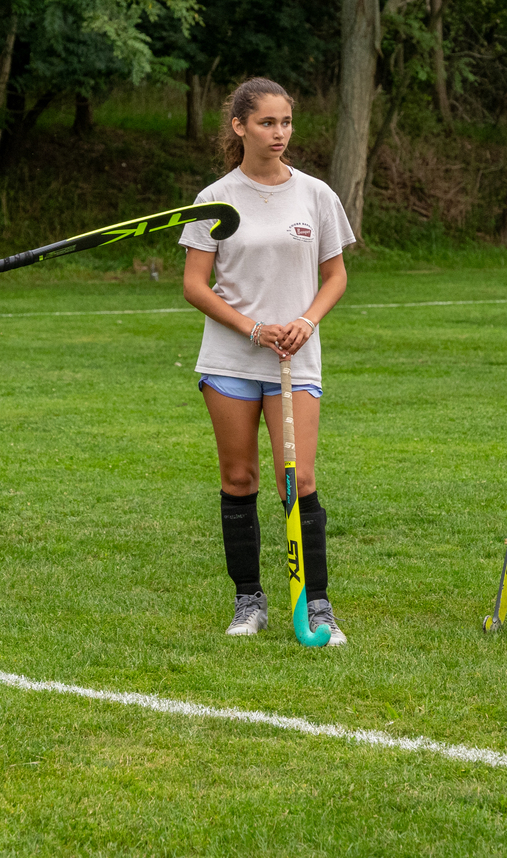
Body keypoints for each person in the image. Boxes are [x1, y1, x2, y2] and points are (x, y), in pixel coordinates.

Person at [180, 77, 356, 643]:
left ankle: (319, 604)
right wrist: (253, 329)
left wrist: (305, 322)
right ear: (240, 126)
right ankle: (248, 600)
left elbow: (336, 276)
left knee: (298, 479)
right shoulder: (214, 199)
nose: (279, 133)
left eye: (286, 122)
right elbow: (195, 285)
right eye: (267, 123)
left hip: (296, 357)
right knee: (239, 477)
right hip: (232, 356)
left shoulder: (316, 194)